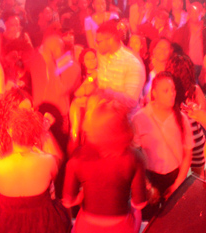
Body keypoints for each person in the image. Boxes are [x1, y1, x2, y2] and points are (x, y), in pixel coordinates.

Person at [63, 98, 148, 233]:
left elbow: (68, 201)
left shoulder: (78, 156)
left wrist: (81, 196)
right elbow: (139, 203)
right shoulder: (134, 157)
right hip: (121, 227)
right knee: (137, 213)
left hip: (87, 227)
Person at [0, 109, 71, 233]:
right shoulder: (48, 161)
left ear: (10, 131)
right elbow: (52, 189)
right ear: (36, 134)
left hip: (8, 224)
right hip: (41, 223)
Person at [132, 72, 192, 213]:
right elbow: (135, 155)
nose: (172, 94)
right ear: (154, 93)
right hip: (150, 177)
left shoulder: (182, 119)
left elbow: (188, 154)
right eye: (166, 91)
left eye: (173, 90)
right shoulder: (140, 118)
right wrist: (147, 185)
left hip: (174, 175)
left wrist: (177, 184)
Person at [95, 21, 146, 108]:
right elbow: (98, 79)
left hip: (123, 114)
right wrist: (90, 81)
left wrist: (107, 93)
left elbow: (131, 101)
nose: (96, 45)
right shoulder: (101, 55)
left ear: (110, 40)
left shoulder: (132, 63)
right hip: (102, 109)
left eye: (98, 42)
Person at [172, 2, 206, 71]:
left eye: (197, 12)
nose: (194, 14)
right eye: (192, 12)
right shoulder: (181, 31)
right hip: (187, 67)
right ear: (189, 13)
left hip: (203, 67)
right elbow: (175, 50)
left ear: (201, 14)